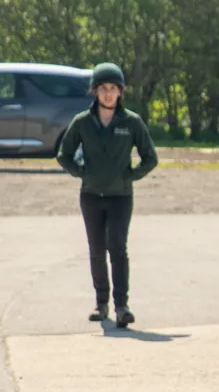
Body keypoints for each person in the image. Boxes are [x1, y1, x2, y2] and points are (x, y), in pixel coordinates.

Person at [58, 62, 158, 329]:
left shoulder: (131, 122)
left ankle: (122, 306)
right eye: (103, 88)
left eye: (113, 88)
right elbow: (63, 154)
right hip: (91, 195)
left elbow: (150, 158)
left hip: (120, 197)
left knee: (118, 249)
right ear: (95, 91)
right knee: (96, 250)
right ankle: (101, 304)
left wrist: (129, 177)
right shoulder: (82, 122)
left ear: (121, 92)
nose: (108, 94)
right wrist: (82, 173)